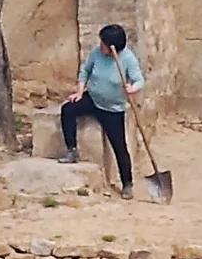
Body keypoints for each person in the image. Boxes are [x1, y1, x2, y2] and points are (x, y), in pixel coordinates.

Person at [60, 24, 143, 190]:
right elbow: (85, 71)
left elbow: (139, 80)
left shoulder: (127, 59)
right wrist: (80, 92)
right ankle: (72, 150)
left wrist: (132, 88)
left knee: (119, 146)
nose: (100, 46)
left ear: (113, 47)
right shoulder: (96, 54)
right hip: (93, 99)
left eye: (103, 43)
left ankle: (127, 183)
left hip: (113, 108)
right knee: (68, 109)